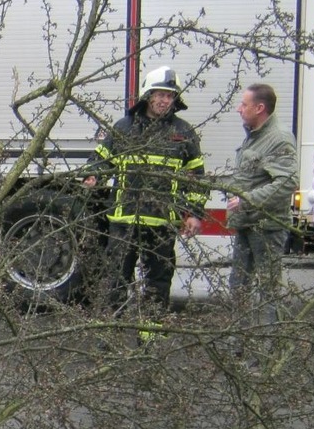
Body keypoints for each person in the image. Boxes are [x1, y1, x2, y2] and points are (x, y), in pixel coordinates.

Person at [91, 66, 207, 316]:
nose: (165, 100)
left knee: (158, 284)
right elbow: (101, 161)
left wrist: (194, 214)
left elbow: (197, 179)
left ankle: (149, 337)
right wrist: (92, 175)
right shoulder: (123, 128)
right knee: (115, 282)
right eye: (160, 94)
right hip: (124, 221)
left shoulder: (183, 133)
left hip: (162, 224)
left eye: (170, 95)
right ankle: (111, 335)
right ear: (147, 95)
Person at [227, 83, 297, 325]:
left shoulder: (278, 139)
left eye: (243, 105)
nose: (239, 109)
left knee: (269, 290)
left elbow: (287, 183)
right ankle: (239, 346)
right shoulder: (256, 135)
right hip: (248, 224)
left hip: (266, 228)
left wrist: (247, 200)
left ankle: (271, 350)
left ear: (259, 108)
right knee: (238, 285)